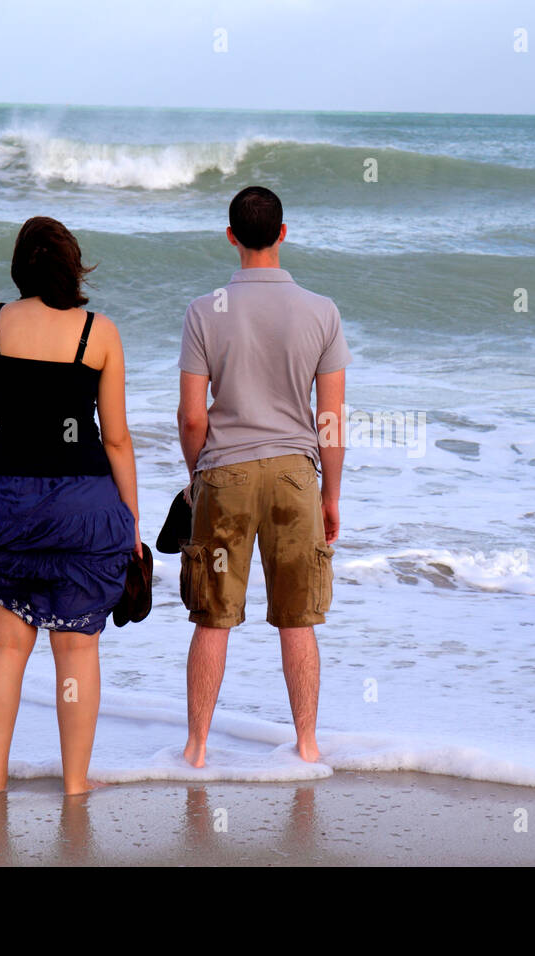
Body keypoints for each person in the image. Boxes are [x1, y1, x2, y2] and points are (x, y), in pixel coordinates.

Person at [0, 216, 140, 795]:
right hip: (84, 507)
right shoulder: (98, 332)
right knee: (77, 648)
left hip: (7, 500)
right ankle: (76, 785)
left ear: (19, 266)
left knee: (5, 647)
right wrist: (129, 521)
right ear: (73, 265)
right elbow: (115, 439)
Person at [176, 185, 351, 767]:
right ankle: (306, 745)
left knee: (213, 618)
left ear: (231, 237)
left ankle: (197, 749)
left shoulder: (205, 311)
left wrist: (197, 474)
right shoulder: (320, 311)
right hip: (296, 479)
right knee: (298, 620)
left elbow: (192, 416)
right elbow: (329, 419)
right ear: (282, 233)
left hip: (223, 473)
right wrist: (331, 494)